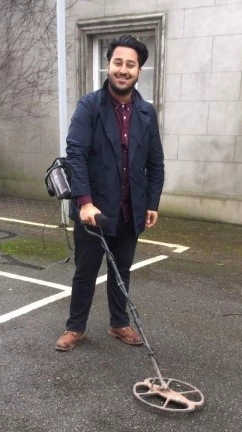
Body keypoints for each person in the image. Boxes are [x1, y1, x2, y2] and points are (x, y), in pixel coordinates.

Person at [55, 35, 165, 351]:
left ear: (139, 71)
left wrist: (152, 202)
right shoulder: (90, 106)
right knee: (85, 272)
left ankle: (118, 324)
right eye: (118, 62)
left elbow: (155, 162)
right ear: (109, 65)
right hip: (95, 211)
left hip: (131, 210)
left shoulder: (146, 113)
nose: (123, 69)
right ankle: (75, 327)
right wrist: (84, 202)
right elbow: (75, 154)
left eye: (131, 64)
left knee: (122, 270)